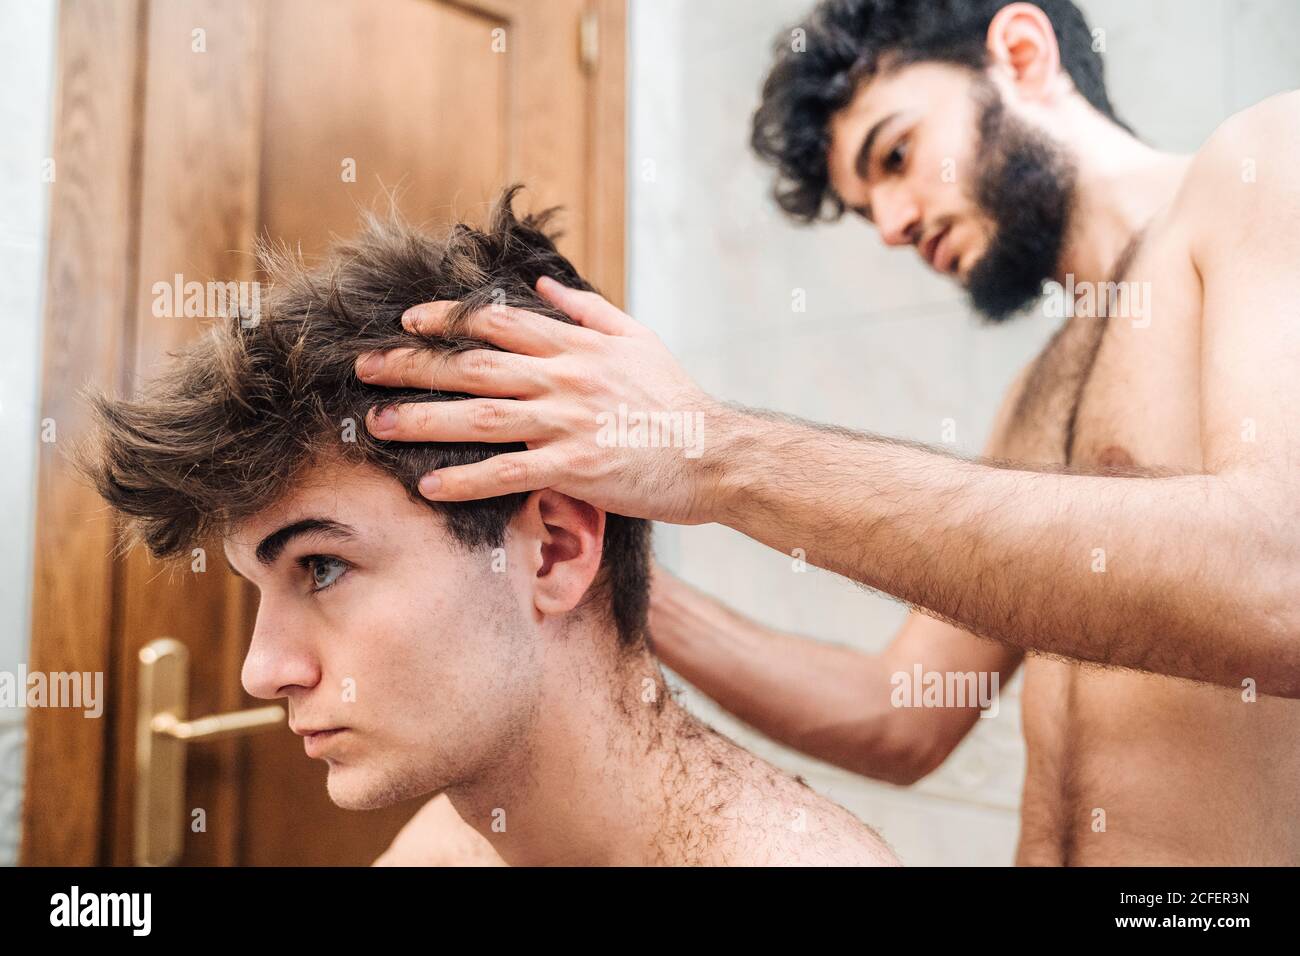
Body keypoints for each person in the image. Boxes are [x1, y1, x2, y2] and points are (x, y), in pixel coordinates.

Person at [354, 1, 1300, 864]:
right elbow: (897, 719)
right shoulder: (1039, 395)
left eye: (895, 155)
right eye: (864, 205)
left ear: (1020, 51)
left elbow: (1281, 581)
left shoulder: (1267, 163)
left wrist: (710, 450)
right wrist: (595, 579)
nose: (890, 224)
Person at [79, 189, 897, 867]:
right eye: (259, 588)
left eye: (321, 567)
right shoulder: (443, 851)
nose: (264, 671)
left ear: (557, 550)